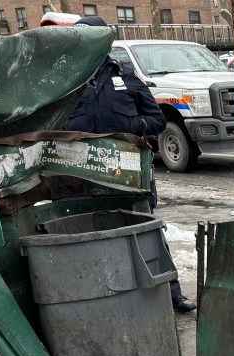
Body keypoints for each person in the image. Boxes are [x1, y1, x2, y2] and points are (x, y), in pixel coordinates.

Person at [63, 17, 197, 312]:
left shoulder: (126, 75)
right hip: (82, 176)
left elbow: (158, 121)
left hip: (129, 174)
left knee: (146, 231)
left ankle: (171, 294)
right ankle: (101, 298)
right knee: (87, 235)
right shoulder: (65, 81)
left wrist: (130, 124)